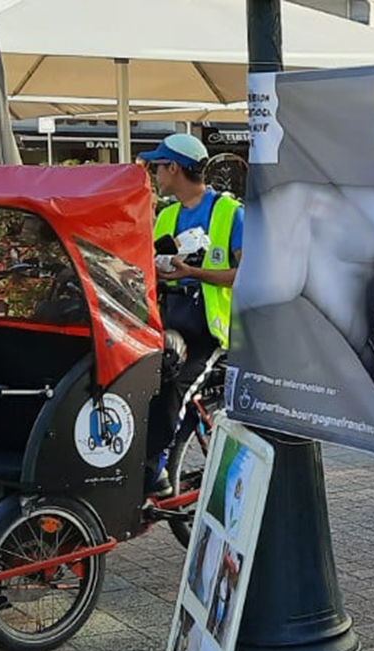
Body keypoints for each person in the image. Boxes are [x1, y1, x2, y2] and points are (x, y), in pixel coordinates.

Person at [141, 132, 243, 495]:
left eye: (157, 166)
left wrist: (194, 273)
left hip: (207, 329)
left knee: (173, 388)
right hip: (167, 319)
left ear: (174, 168)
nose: (153, 173)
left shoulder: (229, 212)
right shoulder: (165, 214)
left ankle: (155, 471)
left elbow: (247, 274)